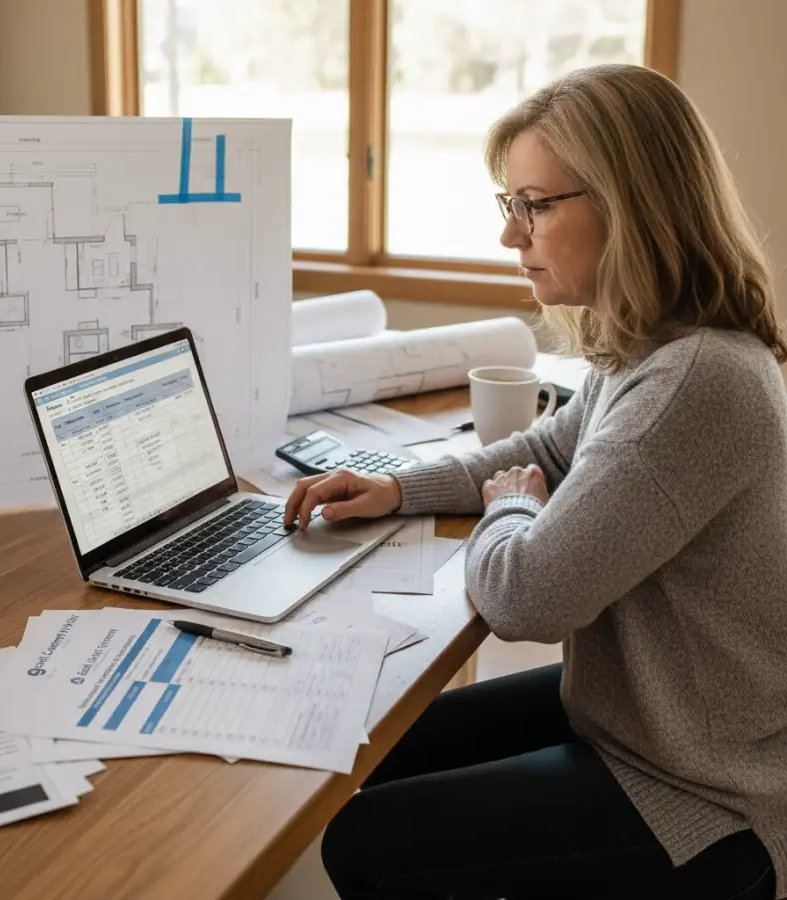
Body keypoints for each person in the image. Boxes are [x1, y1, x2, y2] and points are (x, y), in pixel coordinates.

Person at [283, 63, 787, 900]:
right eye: (508, 206)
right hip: (632, 719)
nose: (511, 238)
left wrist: (510, 510)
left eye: (534, 206)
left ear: (631, 205)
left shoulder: (697, 380)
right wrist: (403, 489)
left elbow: (524, 598)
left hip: (697, 789)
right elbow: (550, 450)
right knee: (376, 738)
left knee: (365, 841)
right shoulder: (655, 345)